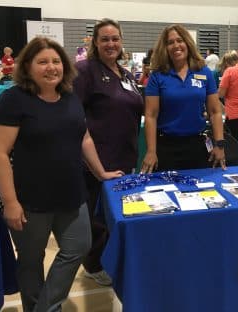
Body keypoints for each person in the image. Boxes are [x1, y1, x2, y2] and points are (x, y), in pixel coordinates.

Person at [0, 37, 124, 311]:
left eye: (56, 61)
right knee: (30, 261)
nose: (51, 67)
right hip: (29, 200)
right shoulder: (13, 100)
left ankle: (44, 308)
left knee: (79, 247)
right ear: (27, 66)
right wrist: (11, 202)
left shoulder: (70, 97)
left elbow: (84, 137)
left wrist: (101, 172)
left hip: (71, 194)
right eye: (42, 62)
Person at [73, 18, 144, 286]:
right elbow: (75, 118)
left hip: (124, 157)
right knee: (96, 216)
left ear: (121, 42)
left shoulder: (125, 74)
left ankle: (110, 258)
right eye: (105, 39)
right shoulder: (84, 71)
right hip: (96, 160)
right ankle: (93, 264)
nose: (111, 44)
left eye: (115, 38)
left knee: (116, 214)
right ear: (95, 42)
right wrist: (95, 165)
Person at [140, 24, 225, 173]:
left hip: (198, 145)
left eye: (179, 40)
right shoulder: (157, 76)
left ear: (187, 43)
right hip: (166, 147)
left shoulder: (204, 72)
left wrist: (219, 145)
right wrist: (151, 151)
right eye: (170, 42)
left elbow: (215, 111)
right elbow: (151, 115)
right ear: (165, 48)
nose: (176, 45)